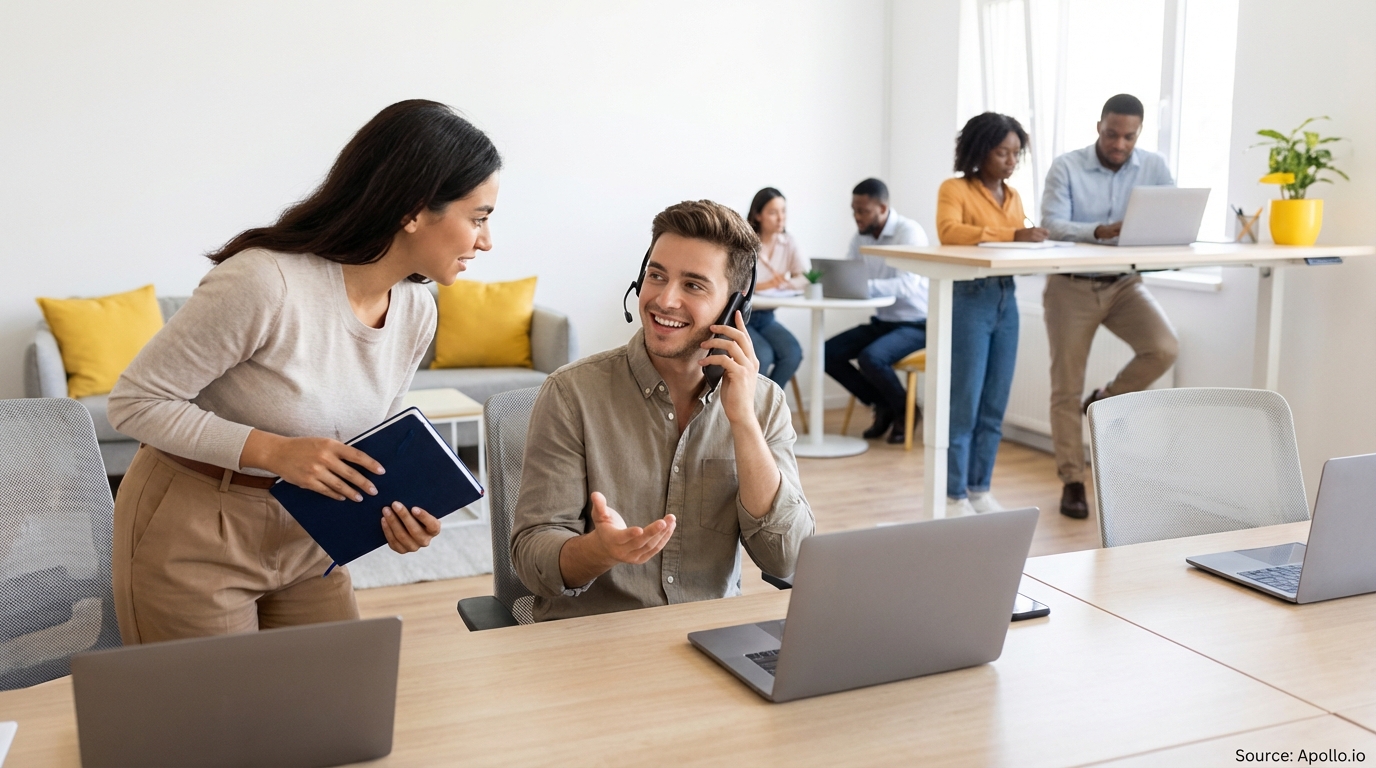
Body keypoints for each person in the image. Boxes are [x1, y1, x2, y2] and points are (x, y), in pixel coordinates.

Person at [106, 100, 501, 644]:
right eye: (477, 218)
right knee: (214, 727)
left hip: (310, 531)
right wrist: (275, 452)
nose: (485, 241)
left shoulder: (416, 310)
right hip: (194, 532)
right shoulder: (266, 282)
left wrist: (398, 515)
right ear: (413, 210)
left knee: (333, 708)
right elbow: (135, 402)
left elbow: (371, 443)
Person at [510, 200, 815, 621]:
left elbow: (789, 558)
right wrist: (598, 552)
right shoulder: (571, 393)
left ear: (735, 309)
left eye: (693, 285)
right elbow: (530, 558)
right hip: (593, 646)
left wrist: (743, 421)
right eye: (656, 276)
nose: (664, 299)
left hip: (708, 641)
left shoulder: (763, 402)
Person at [1040, 93, 1179, 520]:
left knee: (1164, 347)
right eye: (1112, 134)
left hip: (1124, 284)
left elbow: (1171, 216)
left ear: (1138, 133)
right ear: (1099, 126)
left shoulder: (1154, 167)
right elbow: (1051, 224)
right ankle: (1072, 481)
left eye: (1129, 136)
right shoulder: (1067, 165)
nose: (1119, 144)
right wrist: (1102, 230)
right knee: (1066, 387)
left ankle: (1104, 399)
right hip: (1071, 288)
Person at [935, 112, 1047, 516]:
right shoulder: (955, 189)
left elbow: (1012, 248)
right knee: (963, 403)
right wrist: (1014, 235)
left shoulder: (1014, 197)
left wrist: (1032, 244)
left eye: (1017, 153)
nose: (1011, 160)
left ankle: (979, 488)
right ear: (981, 151)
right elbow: (951, 232)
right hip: (969, 299)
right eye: (1003, 152)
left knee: (995, 402)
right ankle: (953, 495)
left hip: (1006, 298)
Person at [823, 178, 930, 445]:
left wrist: (864, 286)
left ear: (882, 208)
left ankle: (905, 410)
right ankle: (884, 403)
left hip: (917, 324)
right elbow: (850, 277)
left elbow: (908, 284)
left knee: (871, 358)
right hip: (884, 321)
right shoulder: (860, 237)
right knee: (828, 353)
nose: (857, 217)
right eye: (854, 210)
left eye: (863, 211)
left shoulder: (909, 233)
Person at [745, 187, 808, 390]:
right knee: (763, 356)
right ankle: (752, 414)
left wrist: (785, 284)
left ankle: (769, 408)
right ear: (758, 215)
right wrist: (767, 285)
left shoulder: (788, 242)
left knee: (792, 353)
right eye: (773, 213)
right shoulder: (745, 243)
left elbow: (805, 277)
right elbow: (738, 285)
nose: (781, 219)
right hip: (742, 319)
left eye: (783, 211)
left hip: (767, 318)